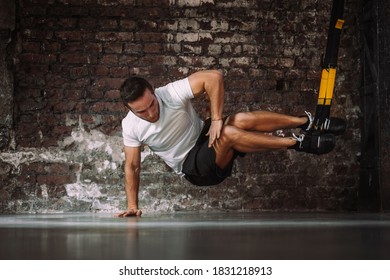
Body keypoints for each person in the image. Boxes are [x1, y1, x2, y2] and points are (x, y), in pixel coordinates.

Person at [116, 70, 344, 217]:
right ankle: (297, 144)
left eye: (152, 104)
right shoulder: (131, 126)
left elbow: (213, 77)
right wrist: (132, 205)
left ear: (154, 92)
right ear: (129, 110)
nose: (150, 112)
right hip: (194, 167)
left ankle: (308, 122)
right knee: (228, 133)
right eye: (141, 111)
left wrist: (216, 119)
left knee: (241, 119)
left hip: (203, 137)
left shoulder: (169, 93)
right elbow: (132, 166)